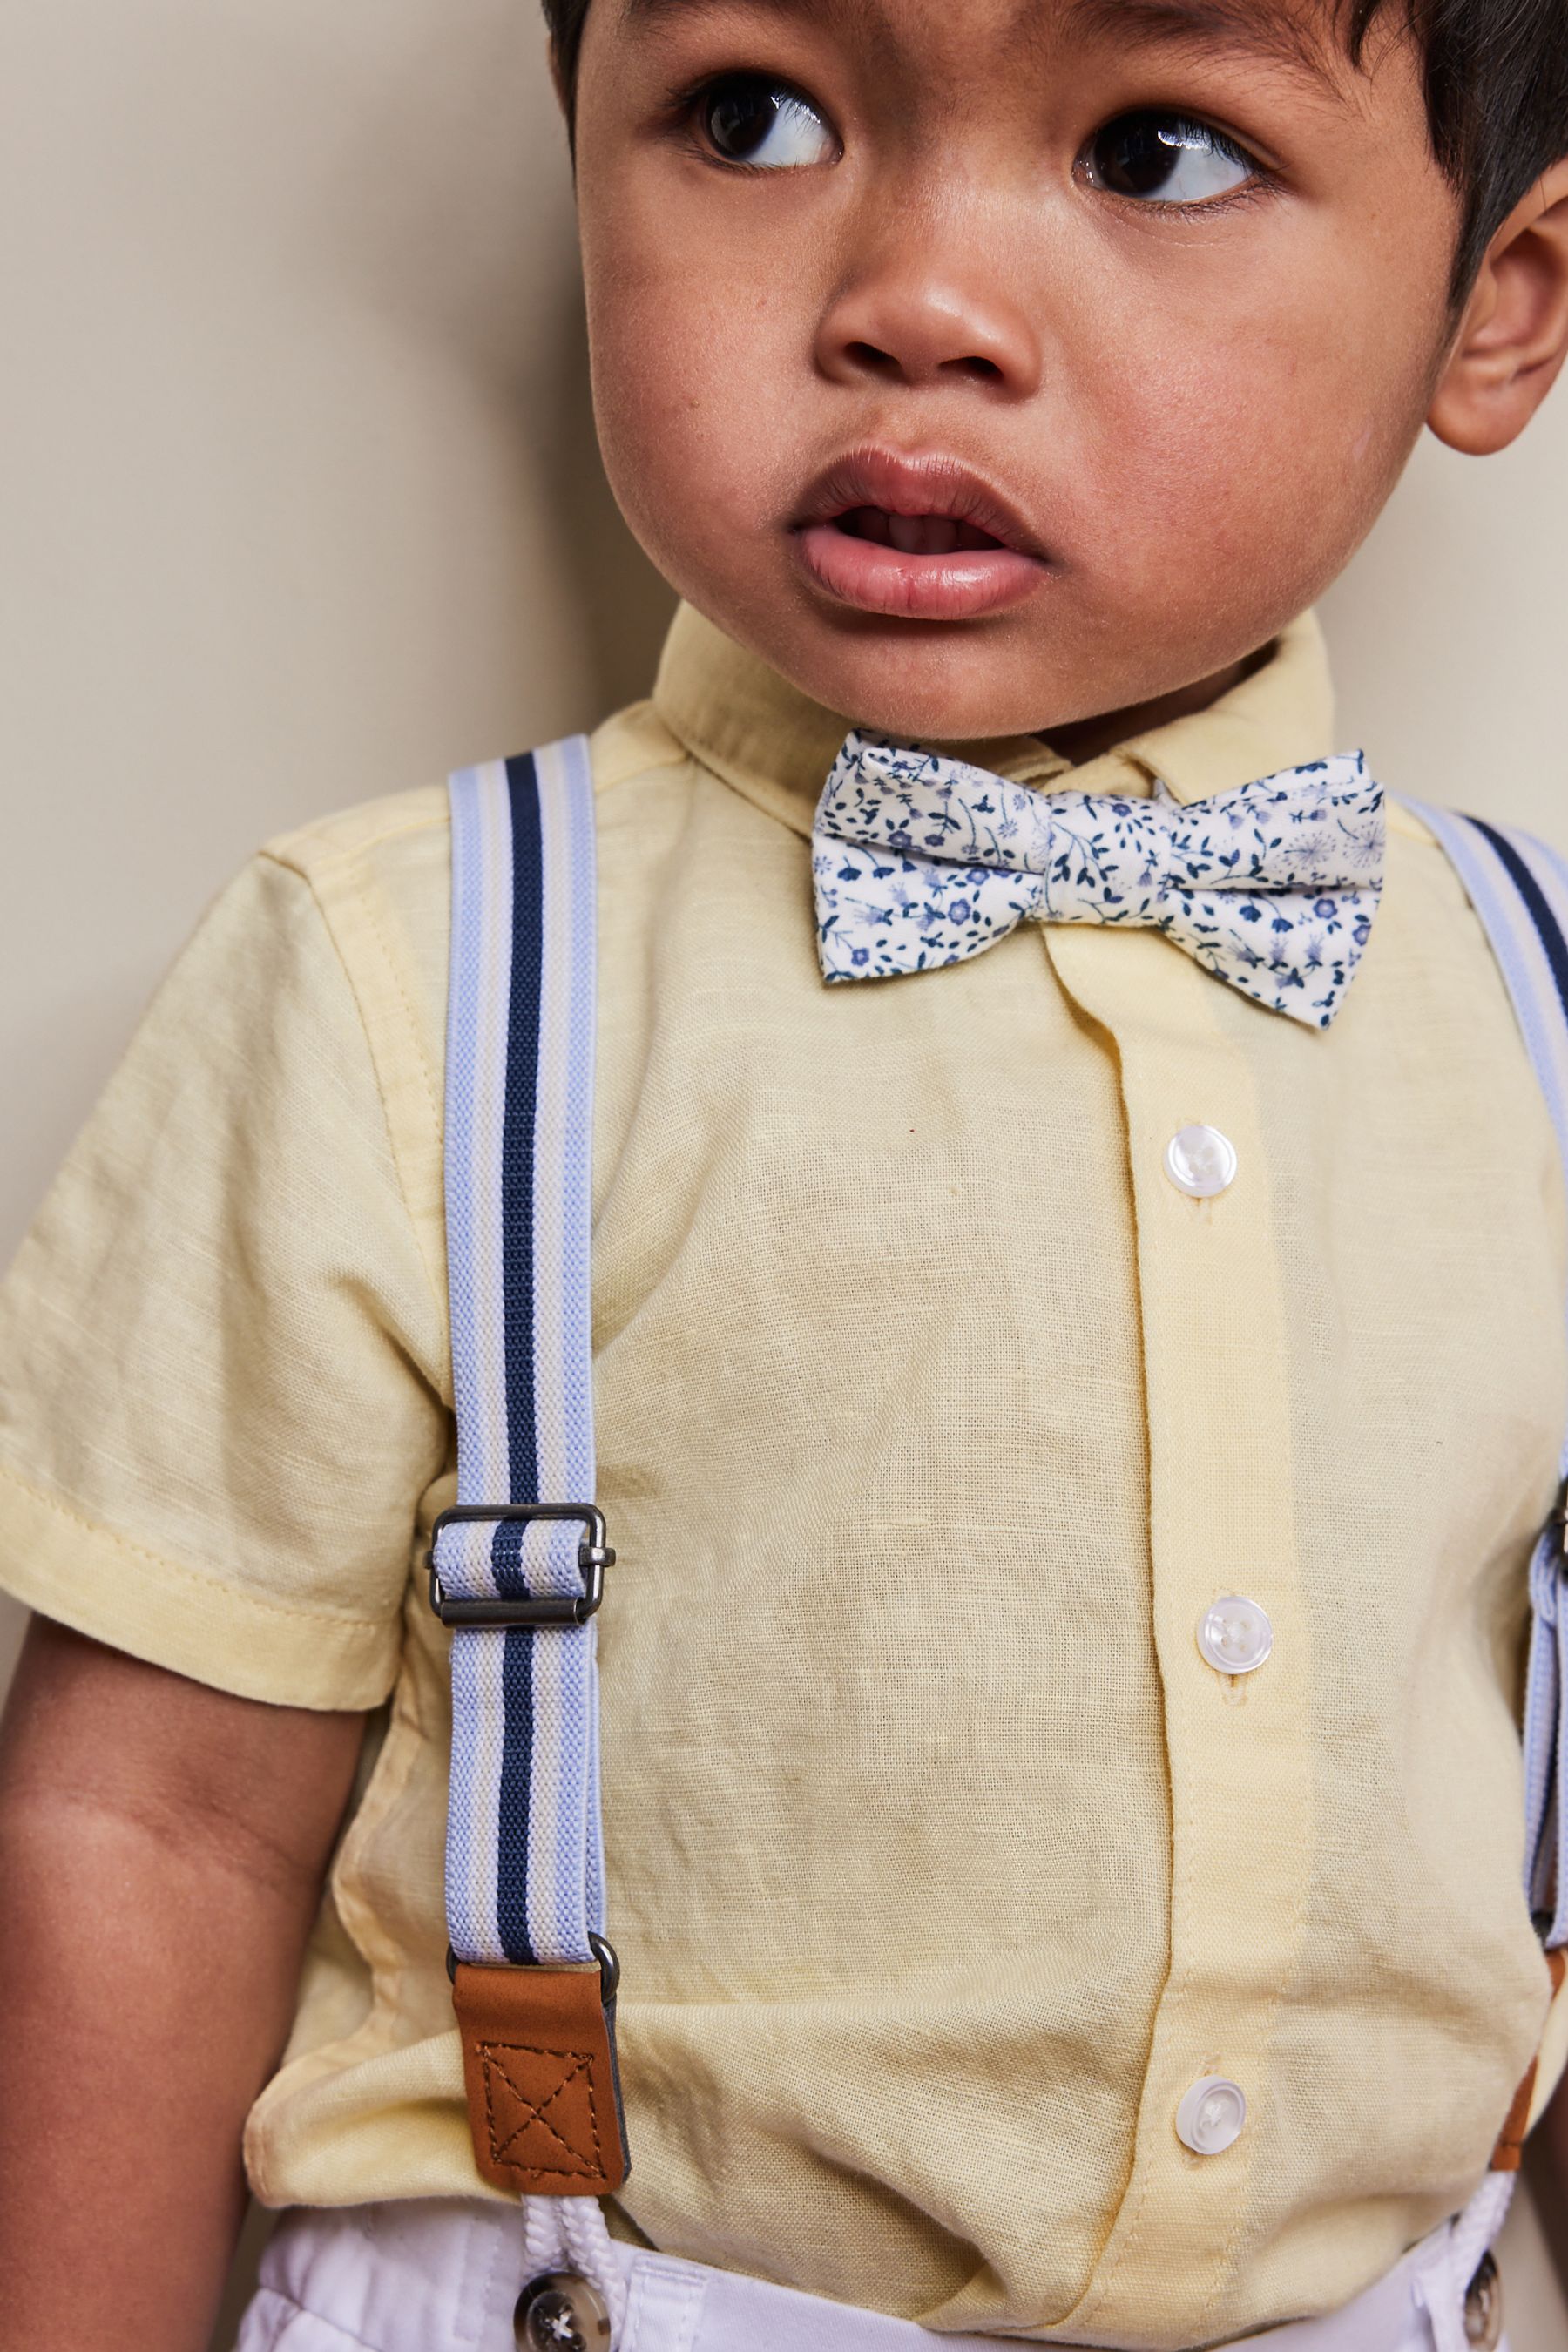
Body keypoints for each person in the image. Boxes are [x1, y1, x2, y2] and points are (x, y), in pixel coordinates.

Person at [3, 1, 1568, 2347]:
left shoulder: (1535, 1015)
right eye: (755, 117)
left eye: (1156, 148)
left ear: (1500, 306)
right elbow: (152, 1833)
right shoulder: (409, 980)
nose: (914, 301)